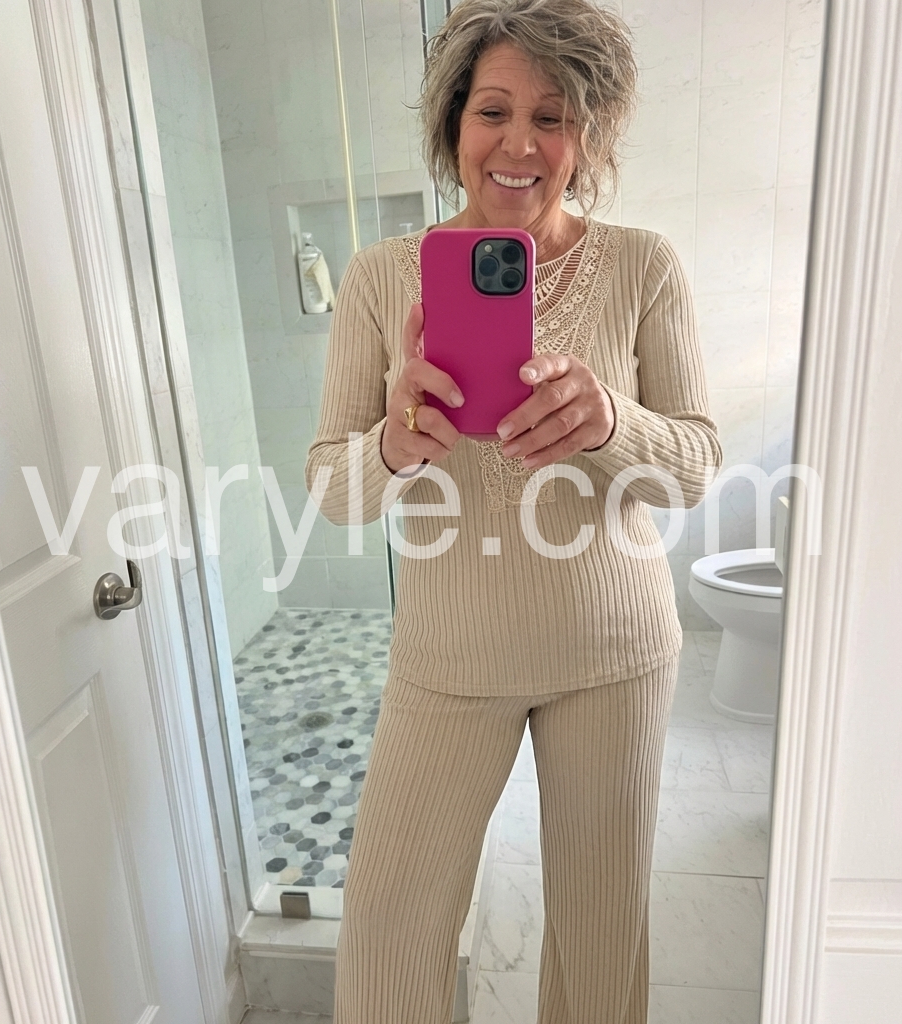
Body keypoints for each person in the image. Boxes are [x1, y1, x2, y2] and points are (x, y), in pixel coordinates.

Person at [305, 0, 722, 1020]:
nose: (520, 144)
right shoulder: (380, 277)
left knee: (598, 937)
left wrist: (609, 422)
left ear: (589, 132)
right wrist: (393, 443)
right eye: (493, 110)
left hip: (615, 654)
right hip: (446, 660)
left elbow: (697, 466)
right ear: (453, 121)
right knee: (388, 934)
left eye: (553, 115)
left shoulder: (644, 264)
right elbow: (331, 487)